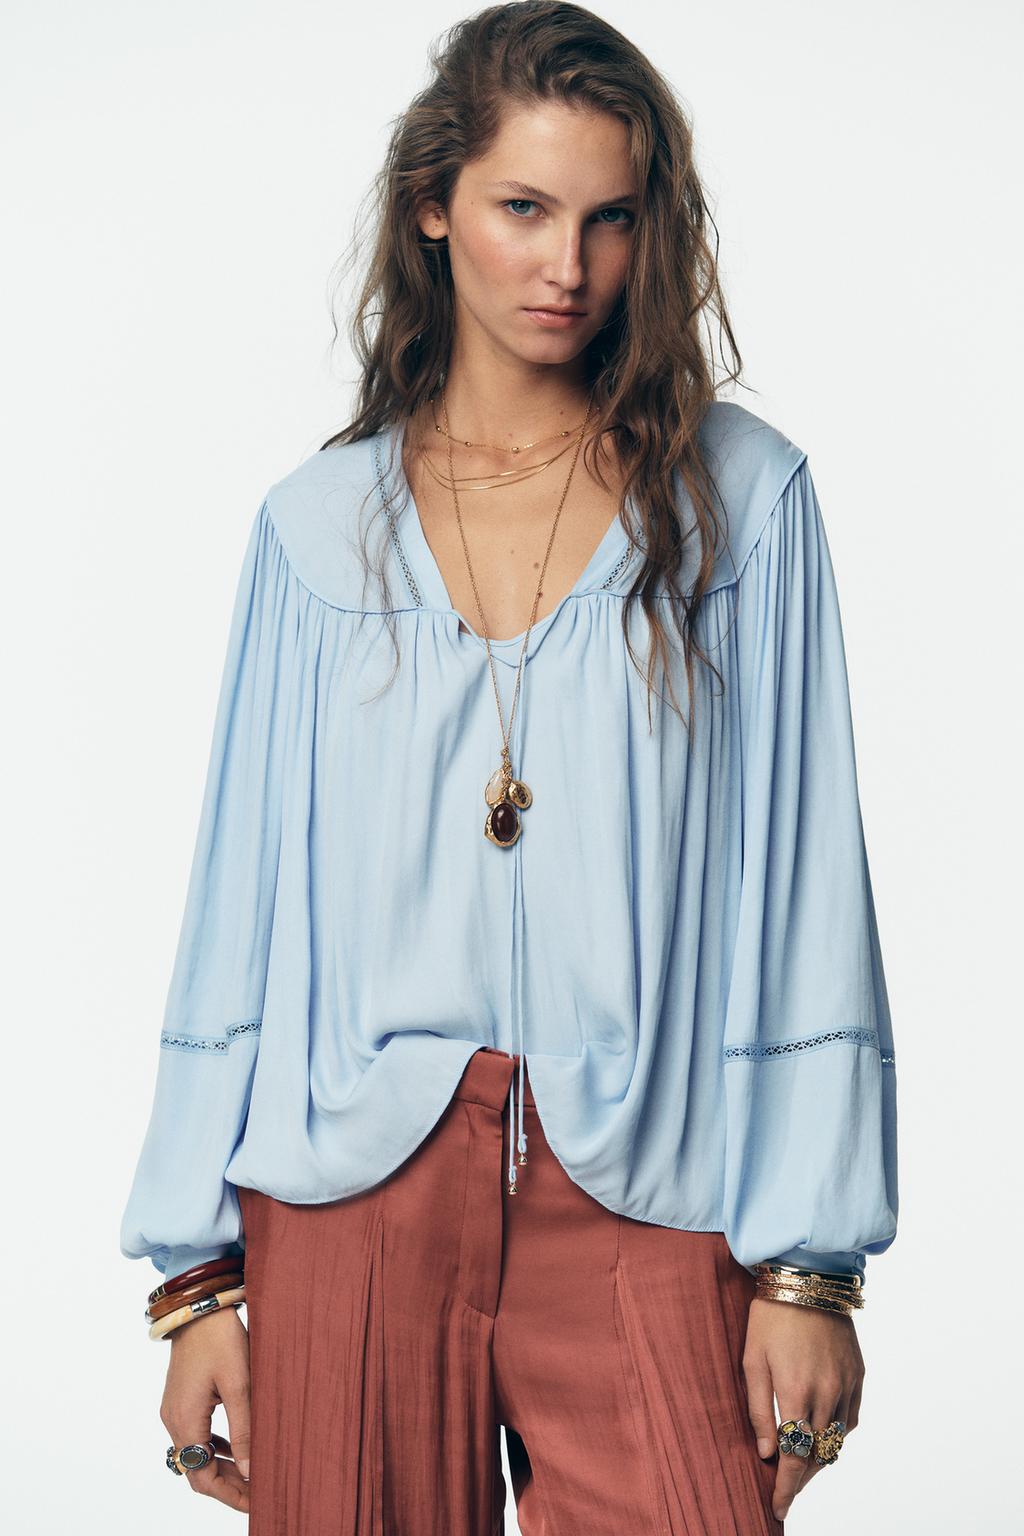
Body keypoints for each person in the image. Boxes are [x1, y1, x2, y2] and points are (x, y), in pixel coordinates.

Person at [119, 3, 899, 1531]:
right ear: (435, 207)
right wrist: (195, 1276)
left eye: (613, 219)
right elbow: (240, 901)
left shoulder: (741, 504)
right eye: (524, 208)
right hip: (351, 1198)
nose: (569, 267)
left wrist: (808, 1266)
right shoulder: (315, 532)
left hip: (649, 1180)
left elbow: (805, 881)